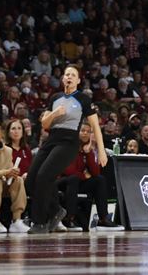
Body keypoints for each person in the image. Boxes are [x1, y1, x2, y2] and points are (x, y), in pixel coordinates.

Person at [26, 63, 106, 234]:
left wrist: (101, 149)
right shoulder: (55, 98)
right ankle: (56, 210)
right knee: (31, 178)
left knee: (44, 176)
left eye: (72, 75)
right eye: (66, 74)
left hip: (69, 142)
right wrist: (55, 114)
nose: (69, 77)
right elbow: (45, 123)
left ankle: (39, 222)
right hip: (51, 139)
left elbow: (95, 126)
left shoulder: (83, 99)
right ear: (62, 79)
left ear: (78, 80)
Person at [55, 123, 116, 229]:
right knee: (73, 178)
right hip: (62, 181)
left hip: (77, 182)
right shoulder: (69, 147)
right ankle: (69, 218)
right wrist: (84, 176)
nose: (85, 133)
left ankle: (103, 218)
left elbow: (96, 173)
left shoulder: (87, 149)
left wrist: (88, 153)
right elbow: (68, 171)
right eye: (82, 131)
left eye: (88, 132)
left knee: (100, 180)